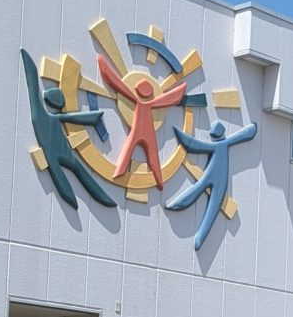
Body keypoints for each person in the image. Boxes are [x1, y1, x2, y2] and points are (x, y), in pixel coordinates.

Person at [21, 51, 115, 209]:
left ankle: (89, 199)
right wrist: (93, 118)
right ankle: (82, 200)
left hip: (62, 152)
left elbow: (34, 92)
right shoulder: (43, 115)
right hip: (60, 152)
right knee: (73, 173)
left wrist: (93, 118)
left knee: (71, 174)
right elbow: (77, 118)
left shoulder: (42, 115)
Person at [166, 120, 259, 248]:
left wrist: (180, 135)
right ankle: (195, 232)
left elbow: (194, 145)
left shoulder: (219, 145)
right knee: (207, 203)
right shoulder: (226, 143)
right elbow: (248, 133)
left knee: (203, 198)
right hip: (218, 178)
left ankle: (198, 237)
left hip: (216, 178)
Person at [97, 53, 185, 188]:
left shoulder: (140, 100)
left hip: (141, 130)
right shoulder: (152, 102)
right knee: (150, 155)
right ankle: (156, 178)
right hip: (145, 131)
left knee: (138, 151)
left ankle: (124, 171)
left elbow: (116, 83)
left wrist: (104, 66)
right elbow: (172, 98)